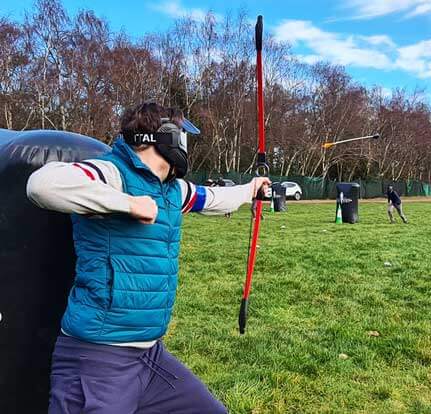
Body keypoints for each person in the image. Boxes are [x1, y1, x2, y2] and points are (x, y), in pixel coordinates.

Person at [26, 102, 270, 413]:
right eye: (181, 135)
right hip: (98, 361)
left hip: (150, 357)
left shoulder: (171, 191)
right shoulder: (111, 173)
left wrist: (250, 188)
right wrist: (127, 204)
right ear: (166, 137)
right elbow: (42, 185)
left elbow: (214, 198)